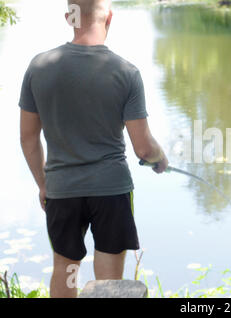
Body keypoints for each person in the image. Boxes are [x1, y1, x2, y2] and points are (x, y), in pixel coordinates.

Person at [18, 0, 168, 298]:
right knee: (110, 280)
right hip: (110, 191)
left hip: (62, 191)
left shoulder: (38, 67)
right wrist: (159, 158)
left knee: (66, 266)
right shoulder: (126, 72)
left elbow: (27, 138)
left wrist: (43, 184)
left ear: (69, 18)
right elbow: (143, 147)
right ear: (109, 17)